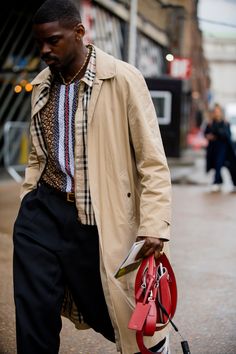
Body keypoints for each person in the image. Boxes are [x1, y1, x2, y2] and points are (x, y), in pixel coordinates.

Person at [12, 1, 172, 353]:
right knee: (33, 310)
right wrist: (28, 199)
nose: (44, 50)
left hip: (97, 219)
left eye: (53, 41)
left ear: (79, 33)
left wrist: (155, 225)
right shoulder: (41, 86)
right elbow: (38, 154)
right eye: (39, 42)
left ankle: (152, 344)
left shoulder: (123, 79)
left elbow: (152, 161)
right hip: (43, 212)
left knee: (111, 310)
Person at [204, 103, 236, 192]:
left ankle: (220, 182)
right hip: (213, 148)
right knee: (215, 166)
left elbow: (227, 135)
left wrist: (217, 134)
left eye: (218, 111)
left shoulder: (225, 123)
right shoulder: (210, 123)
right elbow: (206, 134)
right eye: (215, 111)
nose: (216, 113)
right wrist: (209, 136)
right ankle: (218, 181)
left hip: (224, 148)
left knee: (228, 166)